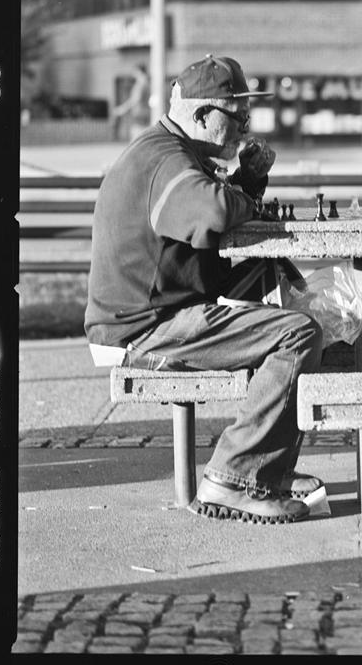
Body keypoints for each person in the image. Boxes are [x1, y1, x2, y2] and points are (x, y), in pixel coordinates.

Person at [85, 54, 324, 525]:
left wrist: (246, 182)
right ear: (200, 115)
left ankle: (265, 467)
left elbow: (209, 209)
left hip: (157, 312)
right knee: (297, 333)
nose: (245, 128)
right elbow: (213, 210)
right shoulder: (163, 159)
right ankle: (235, 477)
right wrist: (245, 189)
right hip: (145, 329)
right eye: (237, 117)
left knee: (275, 292)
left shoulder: (171, 152)